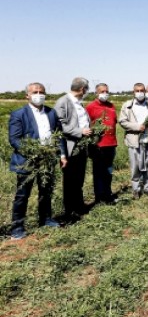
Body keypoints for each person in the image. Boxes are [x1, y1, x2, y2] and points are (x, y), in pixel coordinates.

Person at [8, 83, 66, 240]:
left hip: (48, 160)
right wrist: (34, 152)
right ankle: (17, 227)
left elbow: (58, 135)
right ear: (27, 95)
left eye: (42, 92)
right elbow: (14, 139)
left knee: (46, 191)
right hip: (27, 160)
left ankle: (46, 219)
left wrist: (62, 155)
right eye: (35, 92)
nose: (39, 94)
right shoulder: (19, 114)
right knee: (22, 195)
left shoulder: (51, 113)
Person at [55, 77, 92, 221]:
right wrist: (80, 131)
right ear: (83, 89)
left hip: (82, 146)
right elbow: (60, 125)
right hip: (70, 146)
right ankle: (69, 211)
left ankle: (79, 206)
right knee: (70, 180)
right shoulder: (63, 102)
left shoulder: (79, 103)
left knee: (79, 178)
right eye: (86, 89)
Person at [119, 83, 148, 199]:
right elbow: (122, 121)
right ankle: (136, 190)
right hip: (134, 140)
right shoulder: (127, 105)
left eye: (142, 90)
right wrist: (137, 126)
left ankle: (147, 188)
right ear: (133, 92)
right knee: (135, 166)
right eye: (137, 90)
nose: (140, 92)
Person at [86, 83, 118, 204]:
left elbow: (114, 122)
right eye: (102, 91)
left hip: (111, 143)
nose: (105, 94)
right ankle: (99, 198)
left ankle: (107, 194)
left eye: (106, 91)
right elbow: (87, 125)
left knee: (109, 171)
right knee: (99, 172)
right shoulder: (90, 107)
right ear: (96, 93)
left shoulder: (111, 106)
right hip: (98, 145)